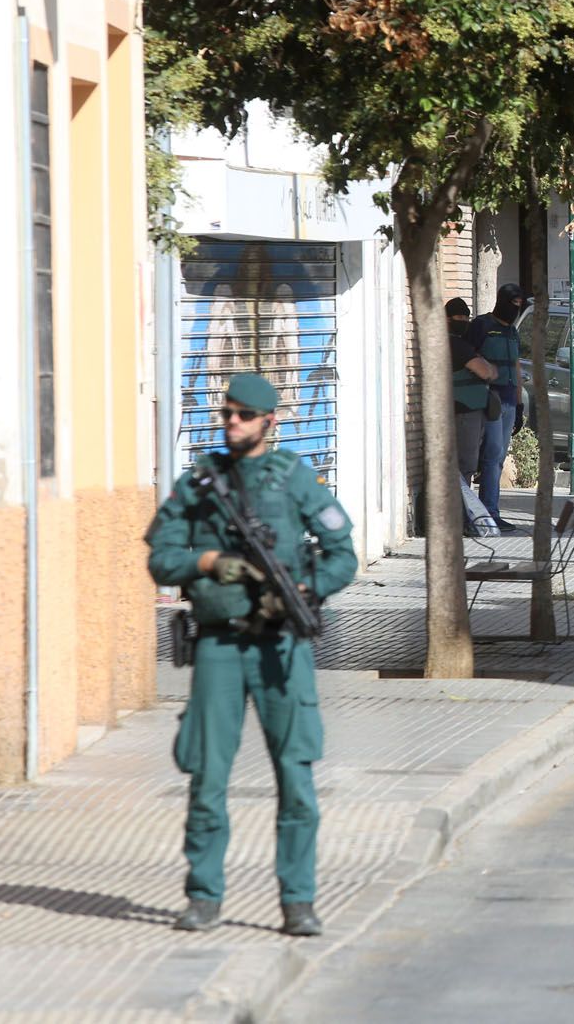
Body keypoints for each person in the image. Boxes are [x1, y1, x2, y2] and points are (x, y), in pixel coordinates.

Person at [144, 372, 357, 938]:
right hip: (219, 644)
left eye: (244, 415)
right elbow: (162, 556)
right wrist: (209, 563)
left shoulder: (295, 480)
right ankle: (204, 895)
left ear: (270, 421)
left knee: (296, 776)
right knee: (207, 775)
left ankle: (298, 901)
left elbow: (342, 554)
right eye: (228, 413)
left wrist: (304, 589)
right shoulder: (201, 481)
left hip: (281, 644)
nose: (232, 422)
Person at [466, 283, 525, 531]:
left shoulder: (512, 331)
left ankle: (490, 510)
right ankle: (487, 513)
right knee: (491, 454)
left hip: (510, 400)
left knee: (498, 458)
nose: (517, 309)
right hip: (490, 399)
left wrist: (521, 404)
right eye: (513, 303)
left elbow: (517, 366)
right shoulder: (482, 326)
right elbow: (467, 356)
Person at [448, 299, 500, 537]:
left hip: (464, 412)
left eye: (465, 317)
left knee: (464, 466)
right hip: (464, 413)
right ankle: (462, 519)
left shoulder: (454, 343)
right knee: (465, 466)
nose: (463, 322)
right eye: (459, 318)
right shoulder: (457, 346)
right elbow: (487, 371)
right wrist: (489, 369)